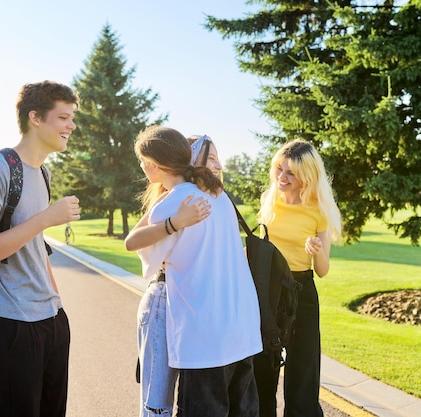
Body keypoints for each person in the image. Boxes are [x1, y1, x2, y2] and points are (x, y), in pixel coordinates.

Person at [128, 126, 262, 417]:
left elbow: (134, 245)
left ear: (153, 165)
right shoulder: (221, 197)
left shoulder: (175, 204)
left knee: (165, 405)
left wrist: (168, 215)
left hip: (202, 336)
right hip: (240, 330)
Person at [0, 80, 81, 417]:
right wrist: (47, 217)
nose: (71, 125)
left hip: (51, 320)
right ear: (35, 118)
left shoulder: (43, 173)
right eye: (63, 117)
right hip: (12, 324)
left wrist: (58, 306)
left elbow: (34, 247)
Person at [125, 133, 221, 416]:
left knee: (160, 402)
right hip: (167, 300)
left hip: (176, 302)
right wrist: (174, 222)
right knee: (158, 401)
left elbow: (131, 241)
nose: (141, 167)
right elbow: (132, 241)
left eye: (143, 161)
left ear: (155, 165)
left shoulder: (194, 198)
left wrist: (174, 221)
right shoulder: (174, 200)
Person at [256, 139, 341, 417]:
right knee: (263, 365)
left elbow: (323, 269)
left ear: (307, 176)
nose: (282, 177)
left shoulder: (318, 211)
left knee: (303, 368)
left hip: (302, 291)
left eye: (290, 173)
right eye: (279, 169)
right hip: (268, 290)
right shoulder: (269, 202)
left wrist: (316, 251)